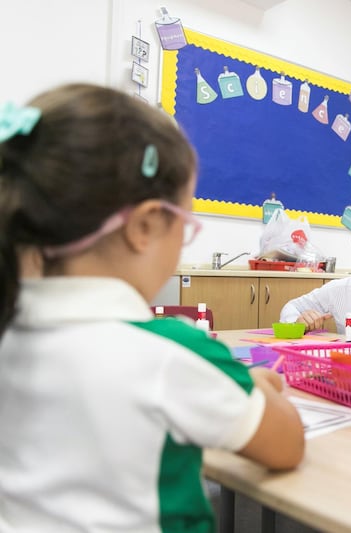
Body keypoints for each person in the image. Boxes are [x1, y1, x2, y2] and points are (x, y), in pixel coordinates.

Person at [0, 84, 304, 532]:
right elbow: (286, 444)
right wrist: (248, 385)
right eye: (186, 222)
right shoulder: (174, 351)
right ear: (144, 226)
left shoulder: (11, 328)